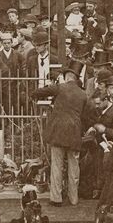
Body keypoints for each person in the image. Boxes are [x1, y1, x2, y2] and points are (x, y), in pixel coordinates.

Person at [33, 60, 94, 207]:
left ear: (67, 76)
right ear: (76, 77)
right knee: (74, 167)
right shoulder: (83, 94)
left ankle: (56, 198)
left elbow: (38, 92)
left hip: (58, 132)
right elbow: (86, 117)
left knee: (57, 165)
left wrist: (35, 94)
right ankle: (74, 198)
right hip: (74, 133)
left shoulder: (60, 87)